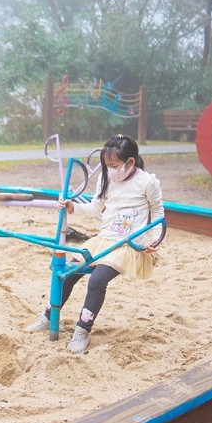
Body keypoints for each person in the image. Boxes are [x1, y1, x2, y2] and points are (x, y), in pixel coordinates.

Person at [27, 134, 165, 353]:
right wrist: (73, 207)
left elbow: (158, 213)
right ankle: (48, 316)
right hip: (103, 239)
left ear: (130, 162)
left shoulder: (147, 182)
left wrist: (154, 240)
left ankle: (83, 330)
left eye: (114, 165)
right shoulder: (106, 178)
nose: (109, 169)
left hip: (128, 245)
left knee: (97, 281)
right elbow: (94, 207)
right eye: (106, 165)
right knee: (68, 273)